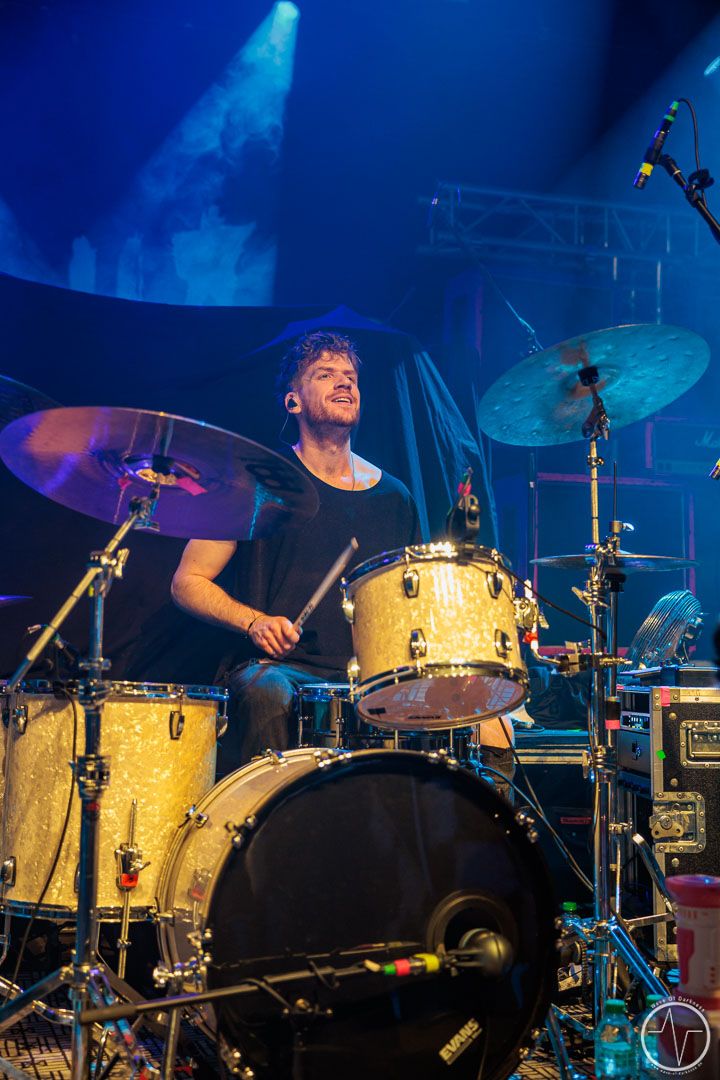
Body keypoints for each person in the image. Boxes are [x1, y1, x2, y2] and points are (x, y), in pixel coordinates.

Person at [171, 330, 421, 773]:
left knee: (481, 718)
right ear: (293, 401)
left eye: (350, 377)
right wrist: (254, 622)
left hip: (371, 673)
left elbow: (412, 601)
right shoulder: (258, 482)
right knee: (267, 691)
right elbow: (187, 582)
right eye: (325, 375)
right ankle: (269, 815)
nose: (343, 383)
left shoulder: (395, 497)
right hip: (280, 669)